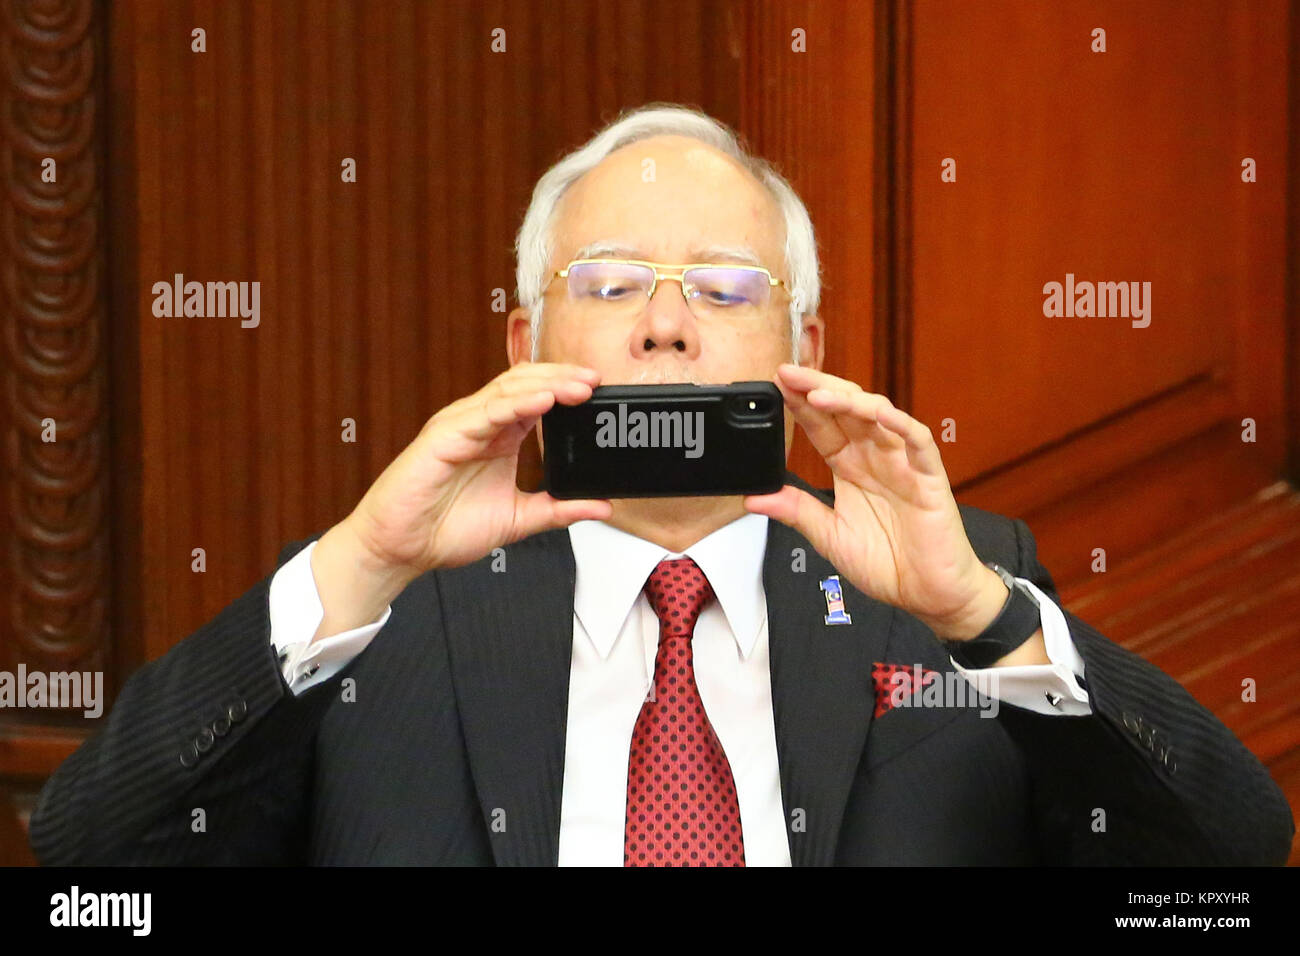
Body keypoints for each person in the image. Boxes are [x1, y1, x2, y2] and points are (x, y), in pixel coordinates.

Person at [29, 104, 1294, 866]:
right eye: (614, 282)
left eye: (730, 288)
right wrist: (360, 564)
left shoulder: (955, 587)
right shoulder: (389, 596)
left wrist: (985, 618)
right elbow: (90, 859)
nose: (669, 327)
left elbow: (1225, 861)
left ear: (802, 348)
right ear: (523, 346)